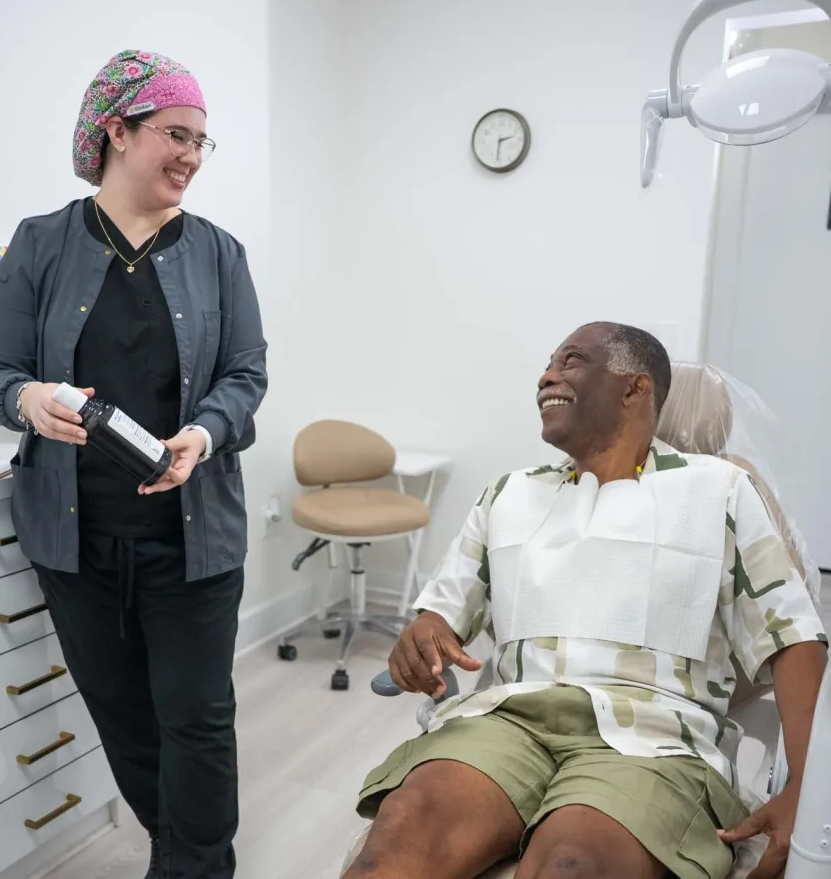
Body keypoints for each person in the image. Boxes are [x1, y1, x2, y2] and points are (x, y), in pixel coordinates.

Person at [345, 323, 828, 879]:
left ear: (635, 388)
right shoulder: (509, 493)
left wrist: (805, 790)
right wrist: (422, 636)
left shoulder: (719, 490)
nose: (547, 375)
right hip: (506, 723)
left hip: (655, 740)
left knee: (573, 864)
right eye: (548, 363)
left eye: (571, 361)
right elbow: (442, 613)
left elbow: (792, 634)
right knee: (398, 836)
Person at [0, 50, 267, 879]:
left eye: (203, 142)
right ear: (117, 130)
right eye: (177, 133)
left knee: (197, 719)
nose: (191, 156)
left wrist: (205, 435)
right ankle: (177, 854)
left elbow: (247, 375)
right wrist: (27, 400)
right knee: (123, 714)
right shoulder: (36, 247)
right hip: (78, 541)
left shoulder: (220, 253)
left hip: (193, 537)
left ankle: (198, 868)